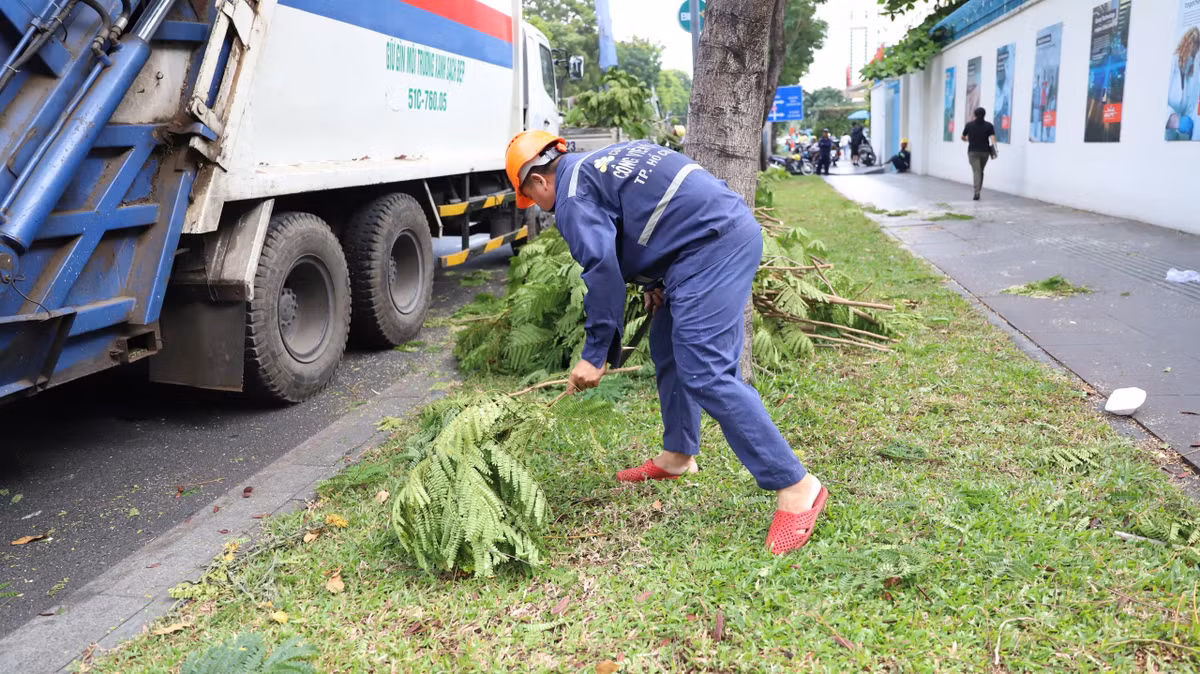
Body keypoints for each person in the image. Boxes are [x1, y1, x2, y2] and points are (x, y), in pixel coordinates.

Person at [504, 130, 830, 555]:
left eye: (533, 200)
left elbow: (601, 271)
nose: (542, 209)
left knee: (706, 372)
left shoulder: (571, 197)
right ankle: (678, 455)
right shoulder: (600, 164)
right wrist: (655, 279)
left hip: (711, 248)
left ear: (536, 182)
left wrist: (595, 354)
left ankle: (796, 484)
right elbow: (655, 213)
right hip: (706, 241)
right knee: (668, 343)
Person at [961, 107, 997, 200]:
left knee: (977, 171)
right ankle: (978, 190)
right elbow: (993, 138)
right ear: (984, 114)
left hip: (973, 152)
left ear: (975, 114)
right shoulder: (989, 125)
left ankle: (977, 192)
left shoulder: (969, 125)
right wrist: (995, 149)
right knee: (980, 171)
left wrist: (967, 139)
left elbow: (962, 136)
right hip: (985, 152)